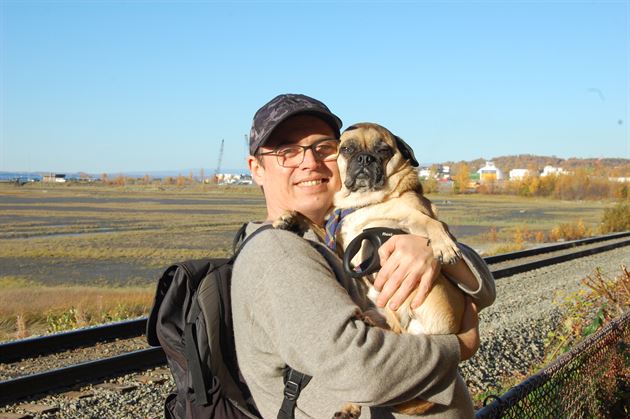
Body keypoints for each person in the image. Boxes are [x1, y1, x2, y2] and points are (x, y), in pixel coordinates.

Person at [231, 94, 495, 418]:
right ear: (255, 169)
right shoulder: (279, 253)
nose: (309, 162)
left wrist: (429, 250)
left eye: (323, 148)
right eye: (287, 151)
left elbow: (483, 288)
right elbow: (359, 368)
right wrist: (459, 347)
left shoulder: (327, 233)